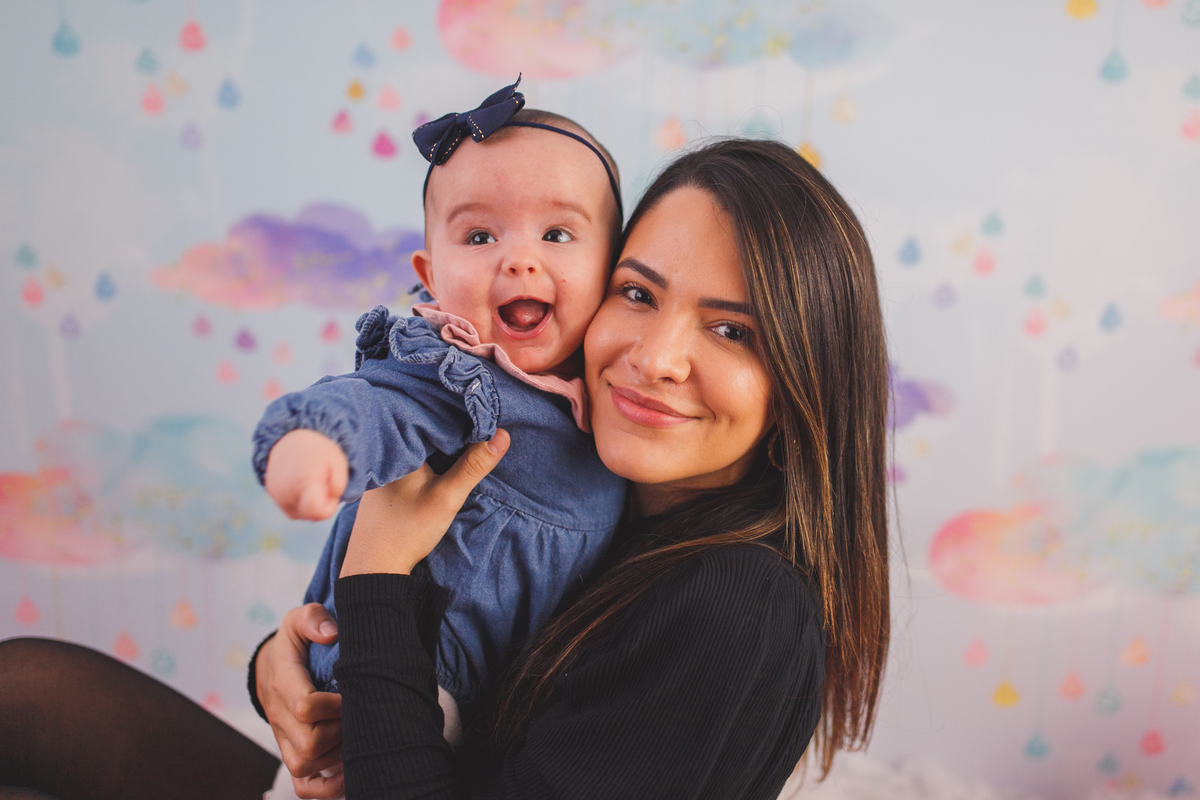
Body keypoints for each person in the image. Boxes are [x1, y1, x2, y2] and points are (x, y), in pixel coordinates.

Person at [0, 137, 889, 800]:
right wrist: (286, 668)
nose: (655, 356)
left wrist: (377, 576)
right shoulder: (607, 498)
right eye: (638, 292)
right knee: (28, 690)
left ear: (807, 384)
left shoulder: (739, 605)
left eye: (732, 330)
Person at [253, 78, 626, 743]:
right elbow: (384, 404)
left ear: (615, 268)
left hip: (504, 714)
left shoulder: (618, 404)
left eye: (558, 233)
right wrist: (319, 442)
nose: (520, 260)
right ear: (430, 275)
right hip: (409, 681)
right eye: (479, 236)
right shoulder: (461, 377)